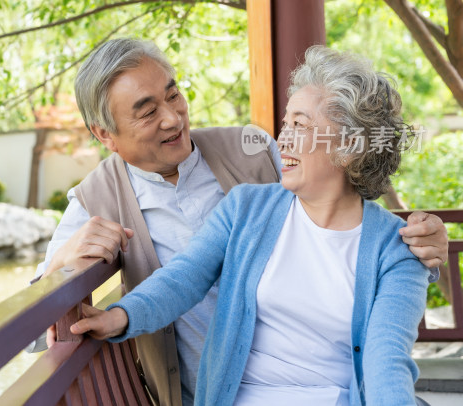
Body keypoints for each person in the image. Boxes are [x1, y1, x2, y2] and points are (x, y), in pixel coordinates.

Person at [34, 38, 448, 406]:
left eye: (173, 95)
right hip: (215, 390)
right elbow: (181, 279)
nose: (173, 118)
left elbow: (384, 358)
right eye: (146, 112)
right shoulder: (98, 201)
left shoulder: (254, 152)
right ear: (104, 134)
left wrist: (415, 246)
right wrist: (67, 270)